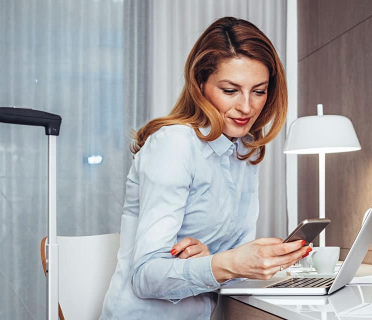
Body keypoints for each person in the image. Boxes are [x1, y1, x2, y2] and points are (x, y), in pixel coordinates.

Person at [100, 17, 311, 319]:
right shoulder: (174, 145)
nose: (247, 107)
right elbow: (146, 276)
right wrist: (228, 263)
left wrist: (219, 260)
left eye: (259, 91)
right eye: (230, 90)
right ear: (201, 85)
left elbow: (231, 265)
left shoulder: (244, 151)